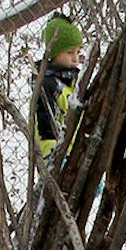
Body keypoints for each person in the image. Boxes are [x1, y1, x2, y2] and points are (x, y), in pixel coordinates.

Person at [33, 14, 83, 162]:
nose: (75, 58)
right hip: (58, 156)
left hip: (77, 155)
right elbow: (44, 123)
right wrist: (52, 154)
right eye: (69, 52)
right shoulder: (48, 85)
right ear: (54, 53)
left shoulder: (74, 82)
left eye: (78, 52)